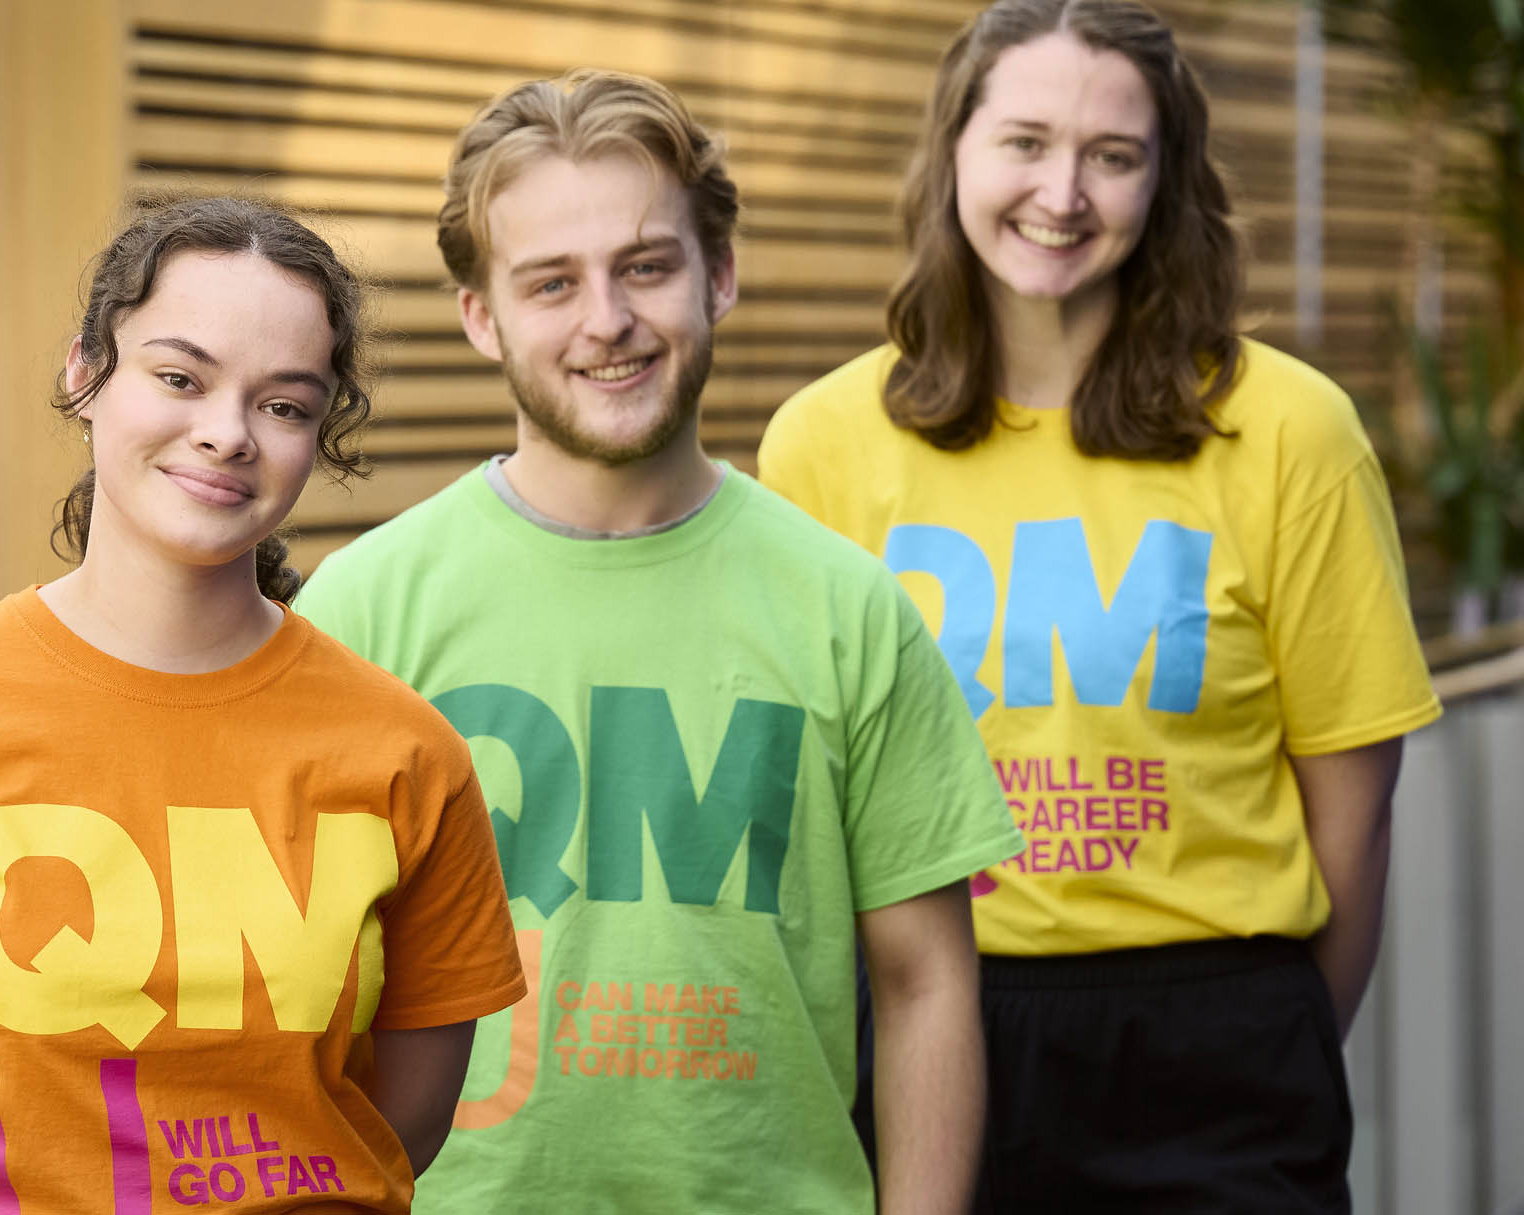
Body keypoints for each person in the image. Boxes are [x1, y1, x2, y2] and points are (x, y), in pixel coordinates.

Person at [295, 70, 1024, 1214]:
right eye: (551, 282)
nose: (606, 320)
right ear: (480, 316)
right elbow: (303, 992)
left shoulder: (849, 608)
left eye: (645, 265)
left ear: (717, 275)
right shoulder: (364, 610)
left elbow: (925, 981)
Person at [759, 2, 1442, 1209]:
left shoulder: (1289, 432)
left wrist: (1269, 1042)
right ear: (953, 153)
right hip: (929, 1025)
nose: (1060, 193)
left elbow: (1355, 812)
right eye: (1023, 142)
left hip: (1215, 1048)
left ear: (1165, 179)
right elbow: (811, 814)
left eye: (1111, 156)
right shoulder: (823, 443)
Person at [0, 196, 526, 1215]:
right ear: (84, 375)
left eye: (282, 405)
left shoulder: (405, 752)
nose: (225, 434)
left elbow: (400, 1123)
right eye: (177, 378)